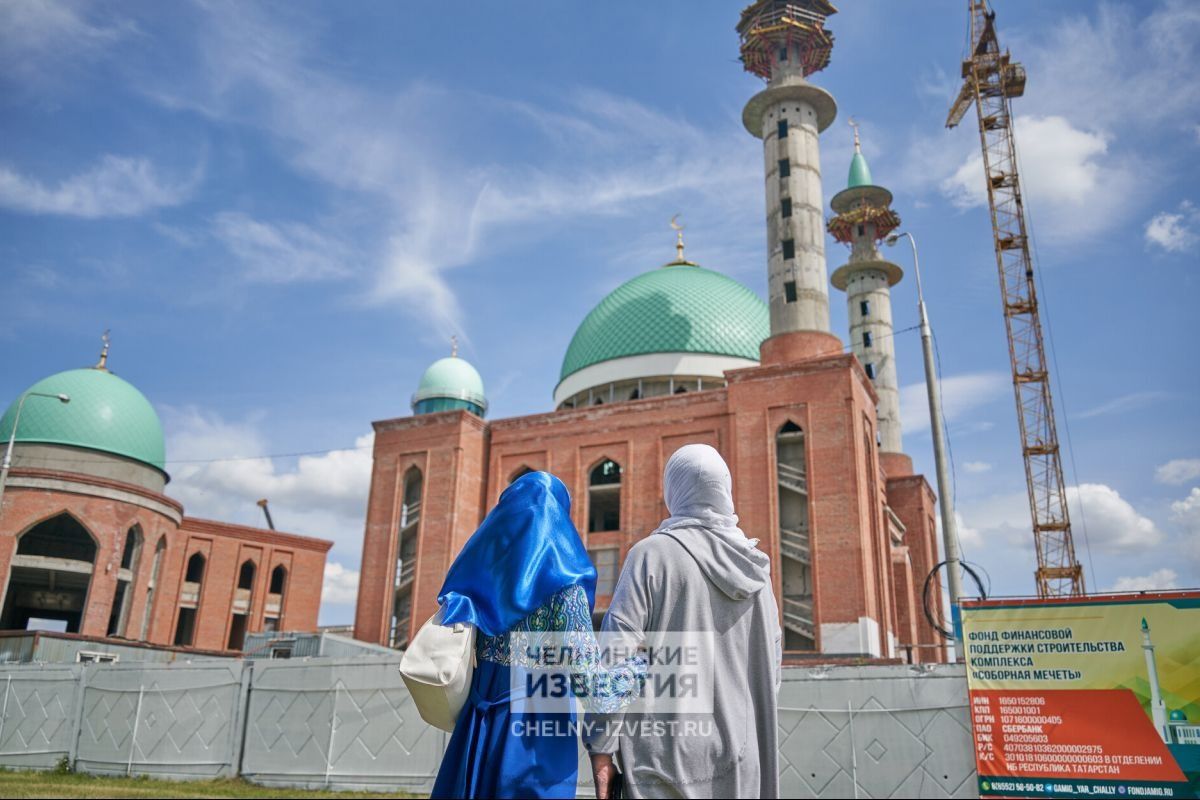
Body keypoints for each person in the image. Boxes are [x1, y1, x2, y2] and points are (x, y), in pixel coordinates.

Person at [432, 470, 645, 800]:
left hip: (477, 736)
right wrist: (639, 669)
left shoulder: (478, 587)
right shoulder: (564, 593)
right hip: (534, 746)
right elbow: (596, 693)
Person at [585, 444, 783, 799]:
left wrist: (601, 746)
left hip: (663, 760)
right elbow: (772, 671)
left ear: (674, 489)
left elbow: (615, 659)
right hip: (742, 758)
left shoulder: (651, 555)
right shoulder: (757, 570)